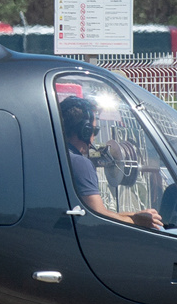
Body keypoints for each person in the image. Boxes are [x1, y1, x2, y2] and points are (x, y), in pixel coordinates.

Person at [58, 95, 164, 230]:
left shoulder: (59, 157)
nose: (94, 138)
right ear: (84, 131)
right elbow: (98, 215)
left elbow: (96, 210)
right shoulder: (79, 163)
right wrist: (136, 221)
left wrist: (134, 215)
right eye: (94, 131)